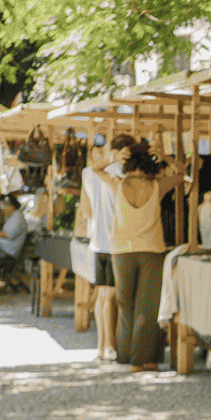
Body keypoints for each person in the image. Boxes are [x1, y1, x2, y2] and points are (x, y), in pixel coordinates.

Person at [89, 138, 186, 372]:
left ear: (129, 162)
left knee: (127, 305)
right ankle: (142, 360)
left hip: (121, 251)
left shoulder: (118, 183)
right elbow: (182, 173)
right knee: (147, 308)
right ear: (149, 162)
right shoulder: (158, 185)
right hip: (152, 250)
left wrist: (113, 157)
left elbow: (94, 169)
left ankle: (127, 356)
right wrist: (166, 157)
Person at [83, 142, 125, 361]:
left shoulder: (87, 174)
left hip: (98, 241)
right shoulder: (115, 173)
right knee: (109, 296)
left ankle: (102, 347)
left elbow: (86, 209)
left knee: (102, 296)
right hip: (111, 242)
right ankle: (109, 346)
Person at [0, 195, 30, 260]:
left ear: (13, 206)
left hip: (5, 250)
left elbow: (8, 235)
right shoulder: (12, 216)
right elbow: (5, 232)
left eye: (7, 206)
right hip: (3, 247)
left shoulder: (17, 216)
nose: (3, 208)